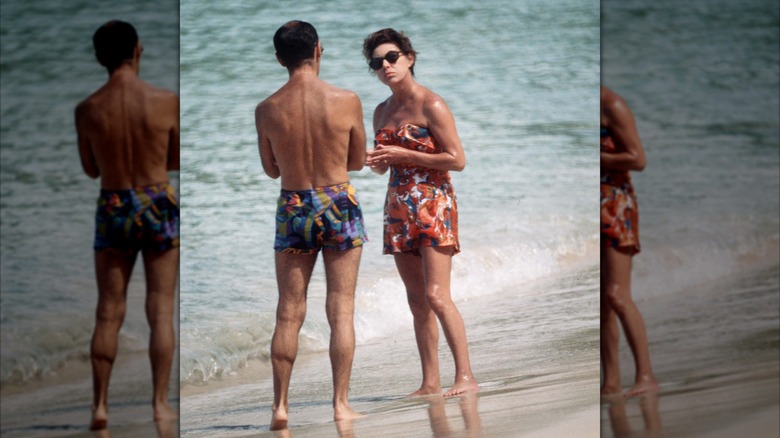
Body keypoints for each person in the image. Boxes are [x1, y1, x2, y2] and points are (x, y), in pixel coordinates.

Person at [254, 20, 367, 429]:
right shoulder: (347, 99)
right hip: (338, 200)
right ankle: (340, 405)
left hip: (294, 203)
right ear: (319, 50)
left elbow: (270, 169)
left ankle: (280, 407)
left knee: (288, 311)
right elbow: (356, 161)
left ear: (279, 58)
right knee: (341, 308)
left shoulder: (266, 108)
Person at [75, 20, 180, 430]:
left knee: (108, 312)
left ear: (99, 57)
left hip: (114, 202)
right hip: (156, 200)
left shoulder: (87, 109)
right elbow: (173, 159)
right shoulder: (165, 100)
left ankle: (100, 406)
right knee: (160, 308)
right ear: (138, 50)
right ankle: (159, 405)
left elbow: (89, 168)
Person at [363, 28, 479, 398]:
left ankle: (465, 376)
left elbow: (457, 160)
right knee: (415, 299)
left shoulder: (432, 104)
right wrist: (373, 160)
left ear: (409, 58)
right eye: (377, 62)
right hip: (397, 206)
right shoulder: (381, 110)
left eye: (392, 57)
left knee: (436, 295)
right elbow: (384, 166)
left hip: (433, 203)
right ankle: (430, 382)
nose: (385, 66)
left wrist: (404, 155)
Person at [600, 86, 659, 398]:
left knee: (617, 294)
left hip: (615, 204)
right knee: (602, 303)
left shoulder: (612, 104)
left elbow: (638, 159)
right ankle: (610, 383)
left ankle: (645, 375)